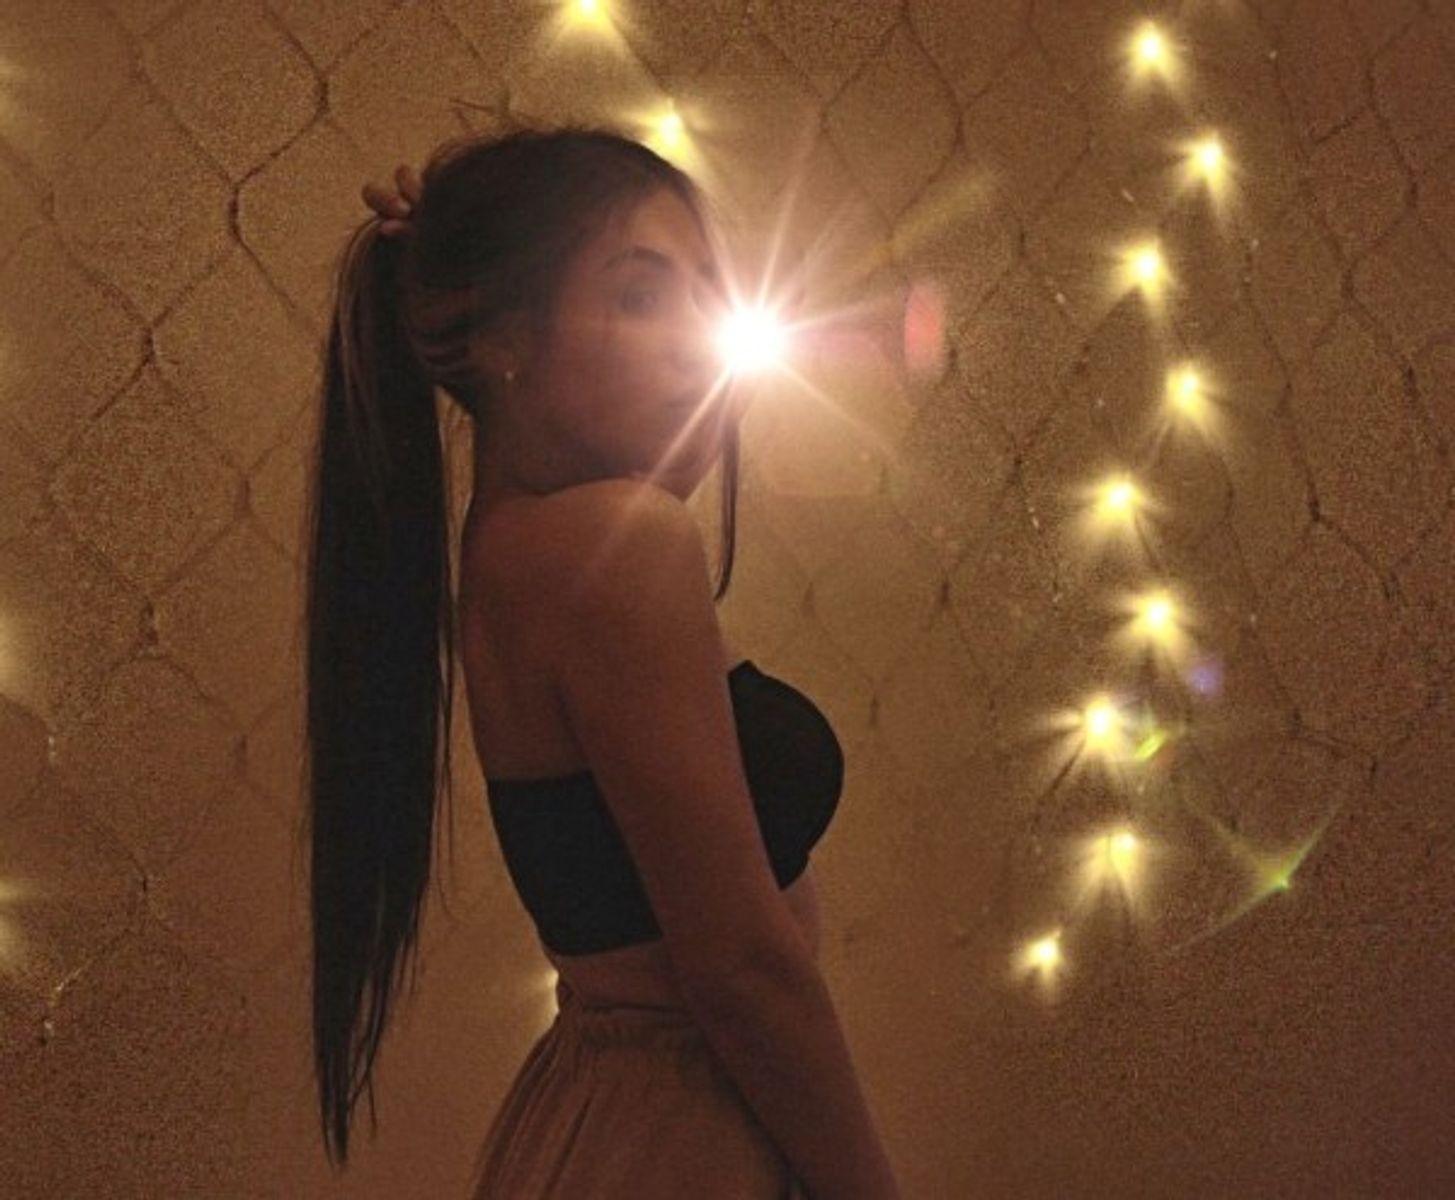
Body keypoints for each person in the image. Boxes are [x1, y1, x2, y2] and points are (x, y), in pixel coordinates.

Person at [305, 125, 902, 1199]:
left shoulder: (514, 546)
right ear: (504, 338)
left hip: (611, 1113)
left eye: (705, 298)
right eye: (638, 295)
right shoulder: (614, 548)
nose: (693, 341)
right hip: (683, 1135)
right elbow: (743, 971)